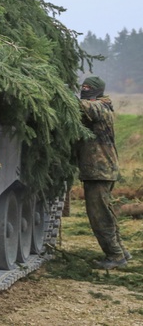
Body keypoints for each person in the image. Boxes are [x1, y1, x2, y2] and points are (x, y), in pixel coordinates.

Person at [77, 76, 130, 269]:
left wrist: (61, 94)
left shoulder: (101, 107)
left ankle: (115, 255)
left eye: (88, 88)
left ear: (97, 91)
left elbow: (83, 107)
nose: (84, 90)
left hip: (99, 170)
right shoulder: (102, 106)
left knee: (99, 215)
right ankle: (121, 251)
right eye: (82, 87)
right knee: (105, 211)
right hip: (99, 169)